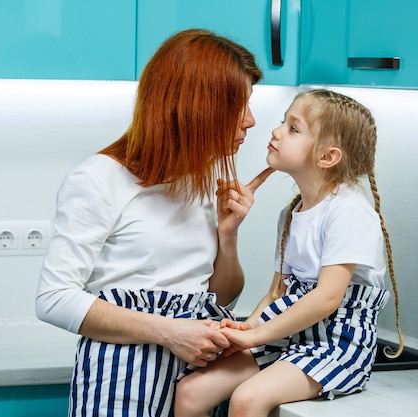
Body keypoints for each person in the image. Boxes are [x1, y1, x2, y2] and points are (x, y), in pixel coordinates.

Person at [35, 29, 273, 417]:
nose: (250, 120)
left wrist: (228, 238)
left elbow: (221, 297)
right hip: (122, 377)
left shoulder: (199, 181)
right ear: (196, 107)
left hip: (192, 373)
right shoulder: (99, 179)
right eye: (238, 106)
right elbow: (53, 299)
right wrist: (171, 332)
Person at [173, 89, 404, 417]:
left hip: (336, 345)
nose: (276, 131)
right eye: (284, 122)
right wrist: (247, 328)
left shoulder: (349, 212)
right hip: (288, 338)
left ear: (327, 157)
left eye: (293, 128)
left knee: (247, 399)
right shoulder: (291, 213)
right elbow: (277, 293)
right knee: (190, 392)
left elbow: (327, 298)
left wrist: (257, 337)